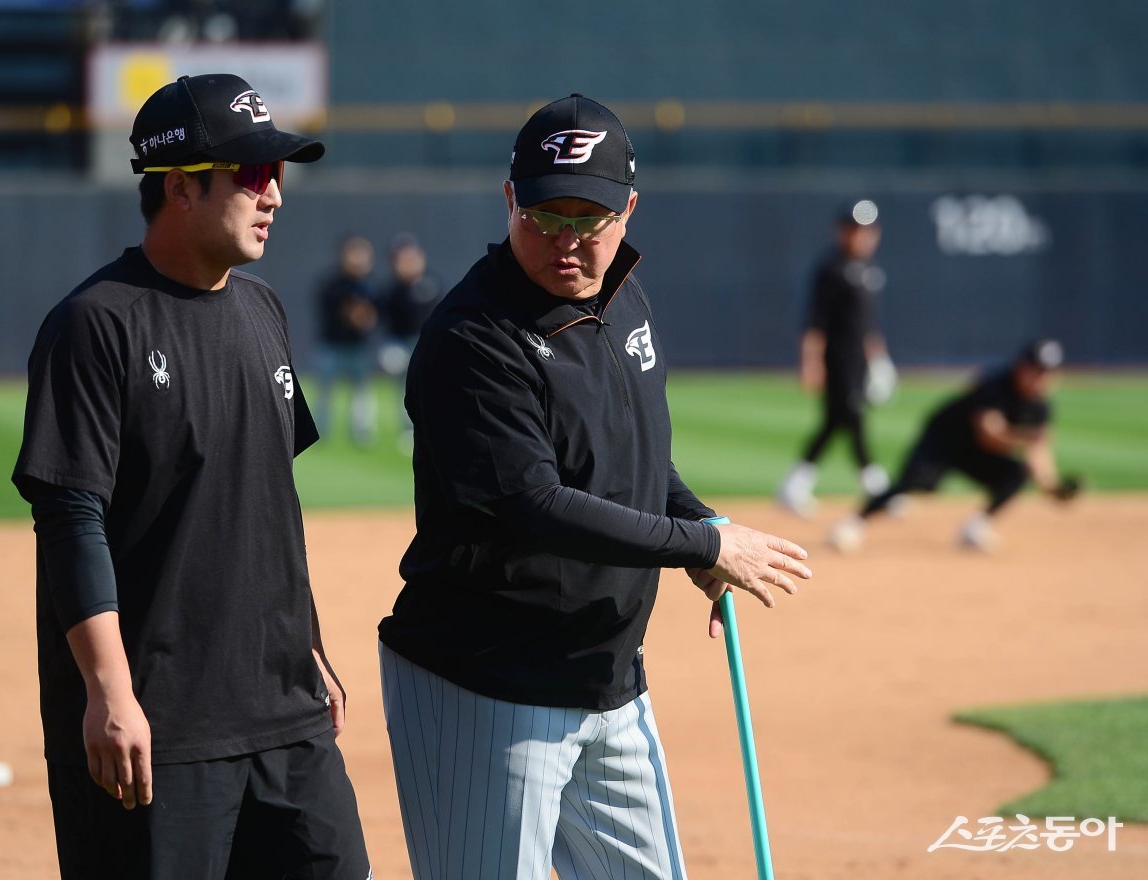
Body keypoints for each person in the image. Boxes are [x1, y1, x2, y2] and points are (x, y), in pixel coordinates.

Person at [376, 93, 812, 880]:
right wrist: (703, 544)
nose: (566, 241)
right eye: (544, 217)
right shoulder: (472, 338)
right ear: (510, 199)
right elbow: (534, 504)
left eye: (590, 219)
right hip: (488, 687)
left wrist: (699, 526)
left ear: (629, 210)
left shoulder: (623, 296)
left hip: (608, 680)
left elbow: (632, 462)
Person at [12, 74, 372, 879]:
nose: (274, 194)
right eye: (252, 173)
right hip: (161, 728)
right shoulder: (95, 324)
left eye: (276, 172)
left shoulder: (264, 310)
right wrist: (109, 692)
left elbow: (267, 501)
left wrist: (308, 645)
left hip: (284, 715)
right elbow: (71, 518)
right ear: (179, 186)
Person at [828, 338, 1077, 552]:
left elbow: (1038, 448)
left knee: (1017, 473)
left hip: (975, 452)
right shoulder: (997, 384)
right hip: (944, 439)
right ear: (1022, 366)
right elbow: (988, 432)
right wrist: (1023, 438)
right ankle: (854, 523)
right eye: (1037, 370)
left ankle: (976, 527)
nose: (1041, 378)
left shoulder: (1041, 406)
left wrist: (1051, 486)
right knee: (914, 482)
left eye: (1047, 373)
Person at [777, 199, 895, 517]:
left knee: (836, 422)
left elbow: (868, 325)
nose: (861, 236)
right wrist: (811, 362)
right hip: (837, 359)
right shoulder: (831, 269)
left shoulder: (870, 271)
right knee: (851, 415)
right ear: (842, 231)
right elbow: (815, 321)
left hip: (860, 361)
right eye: (854, 229)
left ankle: (795, 484)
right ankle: (876, 485)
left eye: (867, 230)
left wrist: (879, 359)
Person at [376, 232, 442, 447]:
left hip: (425, 343)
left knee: (429, 389)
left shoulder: (430, 283)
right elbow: (382, 318)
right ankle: (407, 428)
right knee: (404, 388)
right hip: (400, 343)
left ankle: (428, 427)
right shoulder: (393, 290)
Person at [314, 234, 381, 445]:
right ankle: (319, 430)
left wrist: (366, 317)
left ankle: (362, 432)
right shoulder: (333, 284)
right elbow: (338, 313)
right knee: (324, 392)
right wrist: (353, 314)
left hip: (358, 347)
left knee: (362, 392)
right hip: (332, 346)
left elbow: (374, 316)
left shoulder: (370, 285)